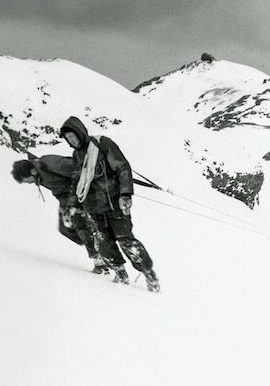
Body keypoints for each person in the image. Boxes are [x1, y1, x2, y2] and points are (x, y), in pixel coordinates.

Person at [59, 116, 161, 293]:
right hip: (93, 207)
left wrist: (125, 193)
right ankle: (120, 274)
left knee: (126, 240)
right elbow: (77, 181)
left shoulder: (102, 144)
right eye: (68, 139)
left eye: (72, 136)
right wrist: (71, 204)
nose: (71, 140)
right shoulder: (77, 156)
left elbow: (122, 167)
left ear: (80, 132)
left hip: (114, 202)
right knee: (103, 242)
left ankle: (148, 273)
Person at [12, 153, 107, 274]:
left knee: (80, 226)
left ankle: (101, 261)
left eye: (28, 180)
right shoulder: (38, 171)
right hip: (65, 199)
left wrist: (76, 198)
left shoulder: (53, 164)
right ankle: (97, 244)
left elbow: (80, 171)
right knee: (66, 229)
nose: (30, 183)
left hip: (80, 194)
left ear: (32, 171)